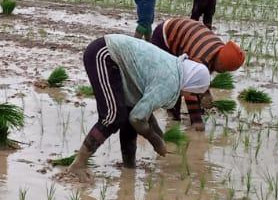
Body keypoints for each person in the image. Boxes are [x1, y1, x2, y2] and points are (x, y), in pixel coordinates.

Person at [65, 34, 212, 180]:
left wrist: (159, 136)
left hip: (118, 63)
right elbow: (138, 118)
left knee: (129, 114)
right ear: (192, 84)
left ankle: (129, 168)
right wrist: (154, 140)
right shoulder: (171, 82)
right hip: (104, 55)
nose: (188, 95)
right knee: (113, 116)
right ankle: (79, 164)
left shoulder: (177, 69)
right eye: (193, 92)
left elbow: (144, 112)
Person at [151, 17, 246, 125]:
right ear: (219, 63)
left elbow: (200, 78)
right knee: (174, 81)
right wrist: (197, 121)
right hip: (164, 36)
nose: (222, 72)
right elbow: (188, 88)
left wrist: (205, 94)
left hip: (183, 32)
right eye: (223, 70)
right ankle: (173, 118)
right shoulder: (200, 58)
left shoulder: (218, 49)